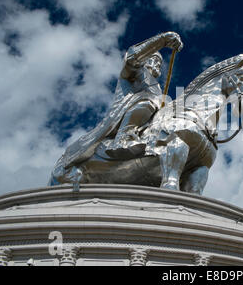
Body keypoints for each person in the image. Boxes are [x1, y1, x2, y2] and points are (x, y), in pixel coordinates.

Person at [50, 32, 183, 185]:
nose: (157, 64)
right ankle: (123, 138)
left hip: (147, 124)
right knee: (149, 101)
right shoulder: (134, 72)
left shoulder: (157, 86)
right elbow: (133, 58)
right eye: (152, 59)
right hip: (124, 113)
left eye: (159, 63)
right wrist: (162, 40)